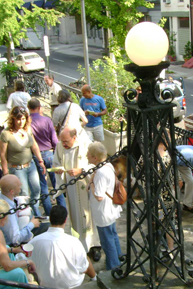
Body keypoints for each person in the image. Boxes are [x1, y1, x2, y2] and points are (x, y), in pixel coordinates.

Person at [53, 127, 102, 260]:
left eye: (66, 141)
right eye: (62, 141)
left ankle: (95, 246)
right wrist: (58, 170)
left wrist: (81, 170)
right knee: (75, 215)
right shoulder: (59, 146)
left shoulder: (86, 145)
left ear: (74, 137)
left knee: (90, 217)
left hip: (85, 186)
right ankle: (80, 246)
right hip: (71, 188)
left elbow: (97, 164)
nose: (63, 144)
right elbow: (56, 161)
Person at [28, 205, 97, 289]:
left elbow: (25, 260)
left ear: (50, 219)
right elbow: (83, 267)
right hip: (71, 285)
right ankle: (94, 279)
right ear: (65, 220)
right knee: (85, 259)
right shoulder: (73, 241)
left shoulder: (35, 241)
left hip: (45, 285)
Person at [0, 106, 46, 217]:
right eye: (18, 119)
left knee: (36, 189)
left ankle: (35, 212)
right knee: (23, 193)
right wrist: (5, 171)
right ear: (13, 119)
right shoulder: (6, 134)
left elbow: (34, 145)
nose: (21, 122)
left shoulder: (27, 129)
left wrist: (40, 161)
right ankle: (27, 217)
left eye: (23, 119)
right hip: (17, 168)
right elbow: (2, 153)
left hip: (31, 165)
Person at [87, 142, 122, 270]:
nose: (87, 156)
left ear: (95, 157)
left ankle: (112, 266)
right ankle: (119, 258)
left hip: (103, 212)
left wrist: (91, 183)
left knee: (107, 240)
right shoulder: (108, 165)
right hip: (110, 209)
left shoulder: (101, 172)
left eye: (89, 155)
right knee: (112, 235)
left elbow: (99, 196)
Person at [28, 99, 65, 215]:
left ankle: (48, 211)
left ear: (28, 108)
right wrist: (56, 151)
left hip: (35, 156)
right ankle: (62, 208)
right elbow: (54, 139)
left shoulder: (27, 122)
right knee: (56, 183)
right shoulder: (46, 120)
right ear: (39, 107)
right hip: (49, 153)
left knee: (42, 184)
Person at [0, 174, 49, 246]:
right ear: (12, 191)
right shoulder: (8, 212)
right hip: (11, 243)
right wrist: (32, 224)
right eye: (18, 185)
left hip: (15, 228)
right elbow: (16, 239)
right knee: (49, 227)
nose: (21, 184)